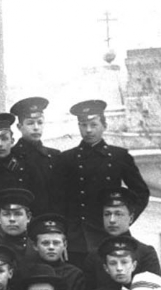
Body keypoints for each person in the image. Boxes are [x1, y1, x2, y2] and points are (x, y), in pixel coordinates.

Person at [58, 99, 151, 266]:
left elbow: (141, 192)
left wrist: (125, 219)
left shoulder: (119, 156)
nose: (88, 130)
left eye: (93, 125)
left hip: (110, 234)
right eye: (83, 125)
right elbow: (58, 199)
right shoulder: (67, 159)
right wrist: (64, 232)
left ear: (104, 126)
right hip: (78, 238)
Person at [82, 187, 161, 290]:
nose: (112, 220)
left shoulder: (146, 253)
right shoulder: (94, 256)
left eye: (118, 214)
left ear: (131, 218)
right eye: (107, 214)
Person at [0, 112, 47, 215]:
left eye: (4, 139)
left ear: (12, 141)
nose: (0, 144)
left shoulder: (29, 170)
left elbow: (40, 206)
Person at [9, 97, 63, 215]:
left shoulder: (55, 156)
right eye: (30, 123)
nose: (36, 127)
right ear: (19, 127)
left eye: (40, 122)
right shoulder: (10, 156)